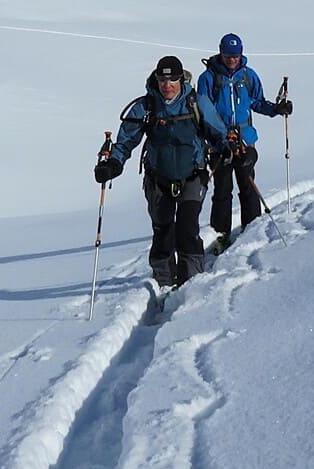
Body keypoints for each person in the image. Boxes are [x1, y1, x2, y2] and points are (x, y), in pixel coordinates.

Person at [94, 55, 229, 288]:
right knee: (162, 229)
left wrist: (224, 148)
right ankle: (164, 283)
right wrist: (113, 164)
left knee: (187, 229)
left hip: (193, 175)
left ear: (181, 80)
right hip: (158, 178)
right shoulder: (146, 107)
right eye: (162, 80)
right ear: (156, 80)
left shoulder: (196, 102)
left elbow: (218, 133)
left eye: (172, 80)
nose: (167, 85)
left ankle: (192, 283)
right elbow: (126, 141)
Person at [197, 32, 292, 243]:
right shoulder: (208, 78)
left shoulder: (248, 76)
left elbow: (257, 102)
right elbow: (205, 110)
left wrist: (276, 109)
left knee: (247, 184)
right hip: (219, 142)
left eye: (236, 55)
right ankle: (221, 235)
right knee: (222, 189)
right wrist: (223, 138)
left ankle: (251, 230)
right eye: (228, 55)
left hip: (245, 140)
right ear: (221, 53)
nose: (232, 59)